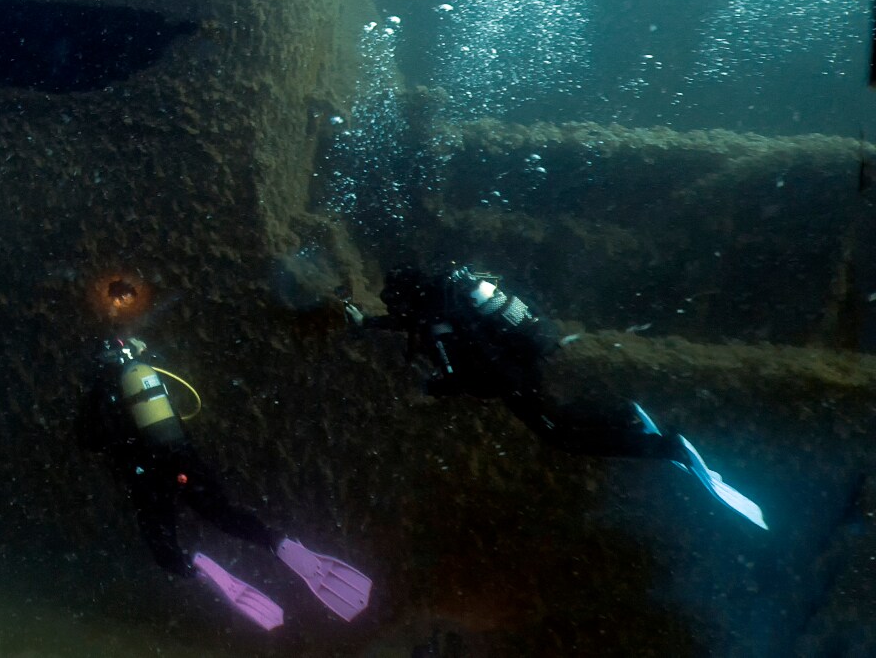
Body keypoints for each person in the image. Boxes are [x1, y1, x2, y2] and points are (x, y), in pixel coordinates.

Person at [357, 265, 766, 529]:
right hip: (520, 364)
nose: (395, 307)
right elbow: (413, 323)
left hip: (508, 379)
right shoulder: (446, 303)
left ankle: (666, 447)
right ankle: (622, 415)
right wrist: (370, 323)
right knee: (563, 416)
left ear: (409, 296)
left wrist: (429, 387)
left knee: (561, 435)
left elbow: (452, 376)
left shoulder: (436, 322)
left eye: (394, 302)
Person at [75, 335, 373, 631]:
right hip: (184, 461)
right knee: (224, 515)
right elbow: (187, 406)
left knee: (163, 546)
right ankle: (276, 541)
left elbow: (89, 440)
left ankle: (201, 570)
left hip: (147, 475)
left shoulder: (101, 391)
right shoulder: (150, 373)